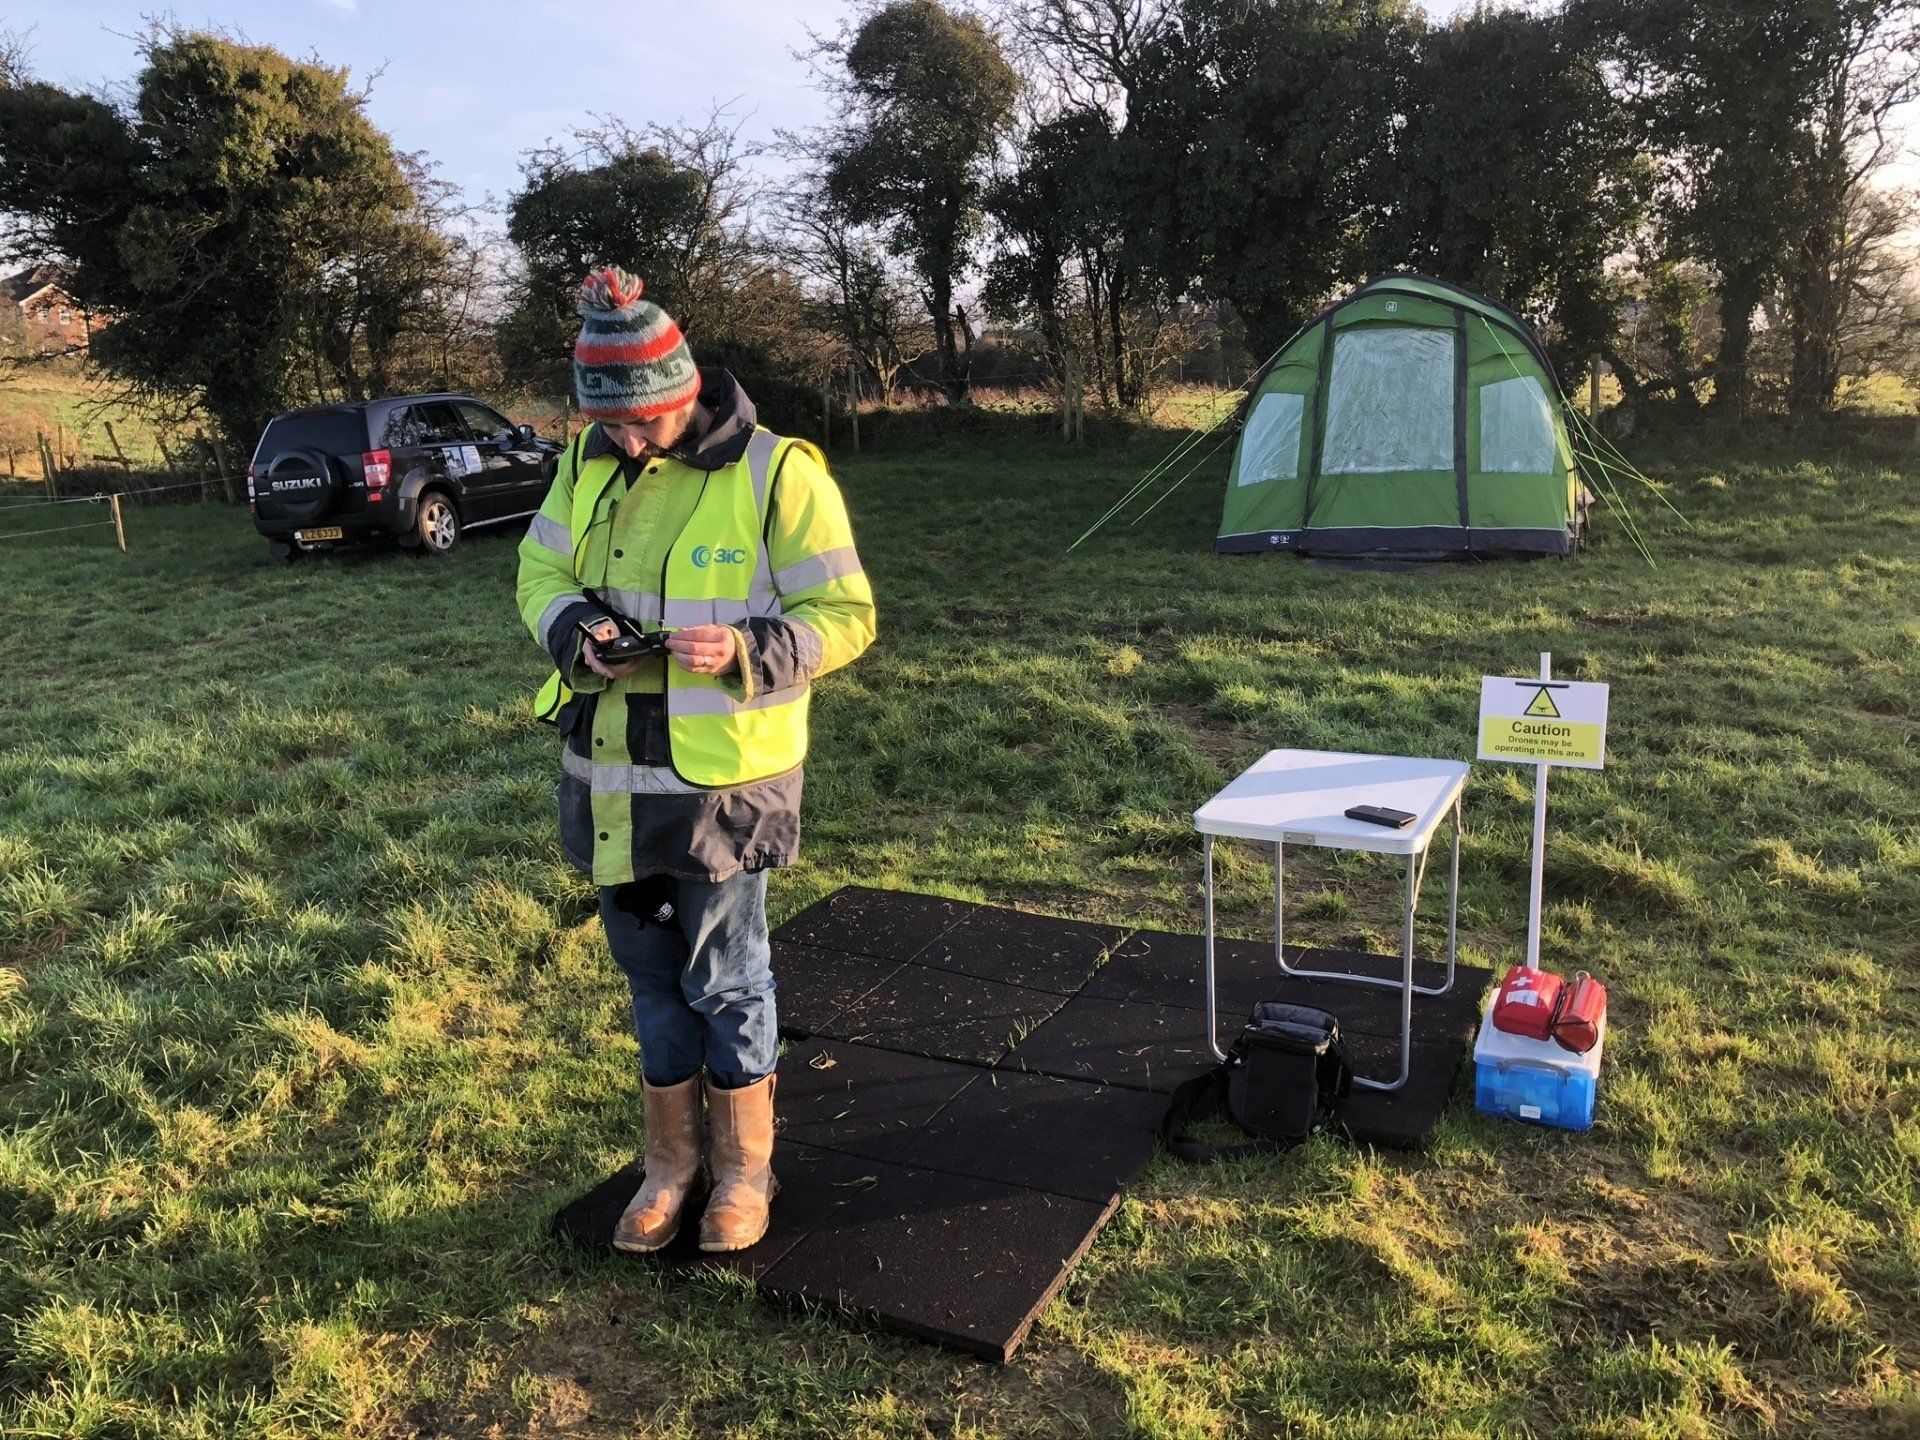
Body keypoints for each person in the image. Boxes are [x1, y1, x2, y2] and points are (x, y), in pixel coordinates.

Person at [516, 266, 875, 1253]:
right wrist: (577, 628)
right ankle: (670, 1167)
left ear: (686, 395)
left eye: (642, 425)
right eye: (609, 427)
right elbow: (539, 570)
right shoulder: (583, 463)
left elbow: (847, 616)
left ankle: (743, 1174)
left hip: (721, 792)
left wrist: (750, 650)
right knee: (648, 979)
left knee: (726, 978)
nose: (625, 444)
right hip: (608, 783)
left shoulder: (777, 470)